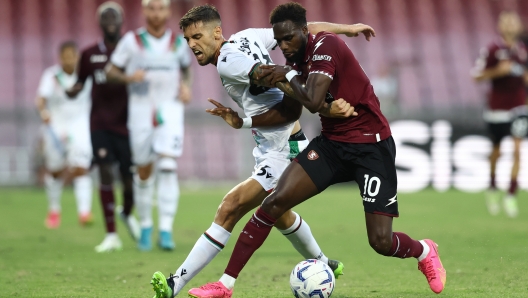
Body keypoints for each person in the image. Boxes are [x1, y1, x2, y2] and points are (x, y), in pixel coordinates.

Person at [189, 3, 447, 297]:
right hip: (333, 145)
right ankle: (225, 285)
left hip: (371, 146)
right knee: (274, 204)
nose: (284, 47)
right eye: (279, 40)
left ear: (304, 32)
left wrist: (286, 74)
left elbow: (310, 100)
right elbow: (296, 102)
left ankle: (425, 251)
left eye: (289, 39)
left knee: (381, 242)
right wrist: (251, 114)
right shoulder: (297, 57)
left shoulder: (326, 46)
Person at [149, 4, 376, 298]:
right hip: (276, 143)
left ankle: (174, 284)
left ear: (217, 32)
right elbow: (301, 31)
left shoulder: (229, 60)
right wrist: (347, 28)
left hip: (281, 147)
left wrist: (321, 105)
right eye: (188, 40)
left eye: (197, 36)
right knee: (279, 213)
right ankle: (324, 263)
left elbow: (275, 78)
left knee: (230, 207)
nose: (192, 45)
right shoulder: (247, 36)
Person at [105, 0, 192, 251]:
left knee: (167, 165)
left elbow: (186, 70)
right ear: (144, 11)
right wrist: (128, 77)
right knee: (143, 172)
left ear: (168, 11)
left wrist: (187, 88)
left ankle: (165, 229)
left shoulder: (178, 42)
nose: (156, 13)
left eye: (161, 8)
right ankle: (145, 225)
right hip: (141, 113)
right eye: (151, 8)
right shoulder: (131, 41)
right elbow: (110, 71)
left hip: (171, 110)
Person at [67, 1, 140, 252]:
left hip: (129, 124)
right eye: (106, 18)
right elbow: (79, 82)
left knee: (129, 180)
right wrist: (72, 90)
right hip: (99, 123)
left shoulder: (131, 51)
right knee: (105, 172)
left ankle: (126, 212)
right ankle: (111, 235)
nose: (110, 22)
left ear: (121, 22)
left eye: (114, 17)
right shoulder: (88, 54)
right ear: (99, 23)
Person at [472, 11, 528, 218]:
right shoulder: (493, 49)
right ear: (501, 26)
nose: (511, 25)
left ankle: (511, 194)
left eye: (514, 21)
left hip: (518, 107)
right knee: (496, 152)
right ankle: (493, 185)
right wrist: (498, 71)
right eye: (507, 21)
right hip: (497, 109)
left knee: (517, 150)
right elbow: (476, 76)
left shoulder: (522, 49)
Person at [36, 41, 93, 229]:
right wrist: (44, 112)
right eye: (66, 56)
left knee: (81, 167)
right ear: (60, 58)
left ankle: (84, 212)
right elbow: (41, 99)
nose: (70, 59)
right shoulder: (51, 75)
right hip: (56, 128)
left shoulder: (86, 76)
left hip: (80, 127)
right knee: (55, 171)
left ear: (78, 56)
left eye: (73, 55)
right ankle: (54, 209)